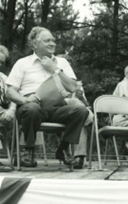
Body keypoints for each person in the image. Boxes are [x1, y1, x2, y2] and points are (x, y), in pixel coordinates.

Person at [6, 26, 89, 168]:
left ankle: (62, 150)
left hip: (56, 107)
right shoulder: (23, 63)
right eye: (47, 40)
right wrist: (25, 99)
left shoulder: (62, 63)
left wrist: (55, 69)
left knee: (81, 111)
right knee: (32, 109)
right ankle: (28, 152)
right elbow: (10, 92)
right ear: (34, 44)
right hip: (30, 106)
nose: (52, 43)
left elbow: (73, 87)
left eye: (53, 40)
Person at [0, 46, 16, 172]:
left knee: (23, 116)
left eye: (1, 62)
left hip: (3, 113)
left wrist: (11, 110)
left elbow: (14, 97)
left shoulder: (4, 79)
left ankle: (19, 156)